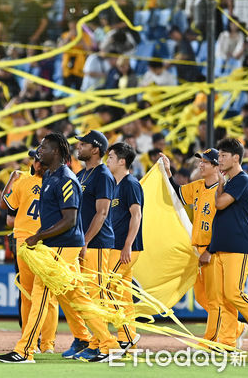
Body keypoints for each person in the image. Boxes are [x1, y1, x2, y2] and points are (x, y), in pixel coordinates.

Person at [0, 133, 122, 364]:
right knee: (77, 298)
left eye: (43, 147)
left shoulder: (65, 178)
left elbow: (70, 219)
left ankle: (25, 350)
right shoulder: (51, 177)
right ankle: (109, 343)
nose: (39, 150)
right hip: (57, 245)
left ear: (55, 152)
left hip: (63, 245)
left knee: (41, 294)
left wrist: (38, 237)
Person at [161, 149, 248, 348]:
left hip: (214, 249)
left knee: (216, 299)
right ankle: (235, 328)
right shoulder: (198, 186)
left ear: (217, 167)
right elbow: (177, 193)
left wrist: (210, 249)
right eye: (200, 161)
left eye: (206, 162)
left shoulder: (224, 190)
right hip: (198, 249)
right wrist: (167, 172)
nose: (200, 165)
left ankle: (214, 341)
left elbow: (225, 225)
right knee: (203, 297)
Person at [202, 138, 248, 352]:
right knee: (220, 297)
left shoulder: (243, 180)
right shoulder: (231, 181)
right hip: (220, 246)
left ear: (236, 158)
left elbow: (220, 203)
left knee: (233, 293)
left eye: (224, 155)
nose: (220, 159)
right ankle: (226, 341)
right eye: (220, 155)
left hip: (239, 246)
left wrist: (220, 183)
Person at [62, 130, 116, 360]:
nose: (78, 147)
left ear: (95, 149)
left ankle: (104, 344)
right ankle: (92, 340)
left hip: (97, 242)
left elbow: (102, 212)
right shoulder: (84, 173)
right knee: (82, 295)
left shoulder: (102, 175)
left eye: (83, 144)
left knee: (96, 294)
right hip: (85, 243)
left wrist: (85, 240)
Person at [0, 148, 59, 354]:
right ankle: (35, 342)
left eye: (39, 160)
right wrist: (12, 179)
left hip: (38, 241)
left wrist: (12, 180)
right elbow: (6, 207)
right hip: (31, 242)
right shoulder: (53, 181)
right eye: (35, 159)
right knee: (36, 295)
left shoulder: (27, 180)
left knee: (40, 295)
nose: (37, 163)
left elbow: (4, 203)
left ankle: (42, 342)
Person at [104, 142, 143, 349]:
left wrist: (128, 244)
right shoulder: (114, 183)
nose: (107, 160)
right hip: (115, 246)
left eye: (110, 157)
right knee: (123, 293)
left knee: (106, 285)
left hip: (126, 247)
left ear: (122, 161)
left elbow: (137, 215)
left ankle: (127, 335)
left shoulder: (130, 184)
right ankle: (128, 337)